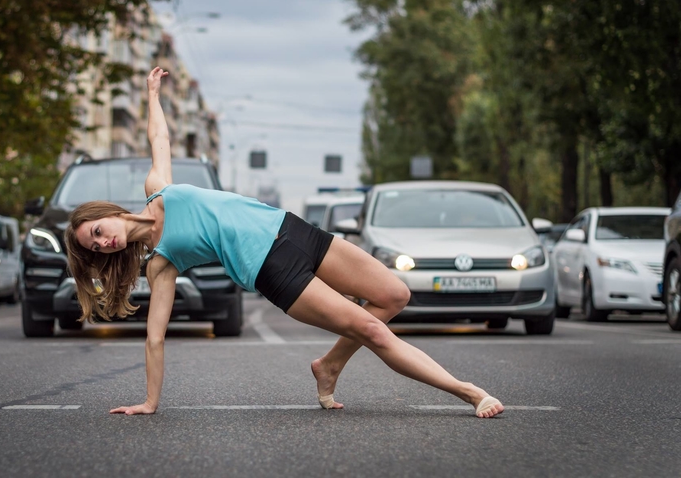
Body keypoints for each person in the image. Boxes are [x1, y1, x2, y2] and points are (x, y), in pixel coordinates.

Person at [65, 67, 504, 419]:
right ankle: (468, 393)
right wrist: (149, 402)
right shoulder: (161, 263)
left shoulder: (158, 187)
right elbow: (154, 339)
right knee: (370, 329)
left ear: (106, 213)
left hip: (294, 230)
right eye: (96, 248)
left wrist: (153, 95)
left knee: (394, 294)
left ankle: (329, 365)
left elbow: (159, 139)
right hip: (274, 271)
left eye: (97, 231)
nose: (103, 243)